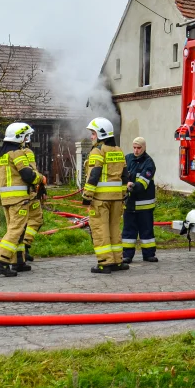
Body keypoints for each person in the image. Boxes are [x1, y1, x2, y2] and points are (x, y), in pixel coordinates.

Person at [0, 122, 44, 276]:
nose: (27, 139)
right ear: (20, 136)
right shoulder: (18, 154)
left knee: (15, 230)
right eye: (26, 136)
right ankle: (0, 262)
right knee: (16, 230)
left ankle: (17, 262)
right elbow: (28, 175)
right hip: (19, 200)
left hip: (7, 199)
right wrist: (40, 178)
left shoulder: (2, 155)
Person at [82, 117, 129, 274]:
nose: (91, 137)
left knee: (100, 230)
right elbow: (125, 175)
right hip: (117, 199)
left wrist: (87, 196)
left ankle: (105, 263)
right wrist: (123, 194)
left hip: (100, 200)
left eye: (93, 133)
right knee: (115, 229)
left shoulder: (98, 151)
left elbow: (94, 175)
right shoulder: (119, 151)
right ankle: (117, 261)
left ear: (101, 134)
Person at [122, 137, 158, 264]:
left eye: (139, 148)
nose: (136, 150)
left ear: (144, 148)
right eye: (134, 148)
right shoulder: (127, 158)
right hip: (129, 204)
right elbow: (121, 175)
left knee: (146, 231)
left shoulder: (149, 163)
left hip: (144, 206)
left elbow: (143, 183)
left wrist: (131, 186)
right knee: (128, 231)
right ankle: (127, 255)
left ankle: (149, 255)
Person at [19, 131, 47, 262]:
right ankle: (25, 246)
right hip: (29, 193)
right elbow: (32, 171)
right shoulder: (27, 152)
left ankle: (21, 251)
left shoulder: (10, 153)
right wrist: (41, 184)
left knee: (22, 222)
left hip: (17, 194)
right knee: (36, 219)